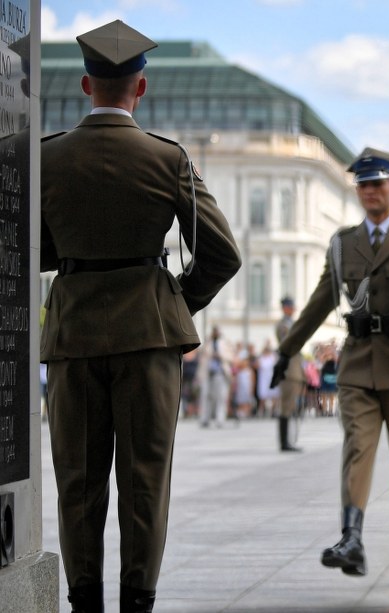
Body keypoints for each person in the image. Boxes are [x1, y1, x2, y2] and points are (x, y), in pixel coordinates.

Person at [40, 20, 240, 613]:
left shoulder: (47, 159)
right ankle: (137, 604)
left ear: (85, 84)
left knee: (78, 482)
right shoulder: (167, 158)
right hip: (149, 338)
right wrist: (174, 300)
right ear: (141, 88)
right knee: (144, 480)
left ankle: (83, 604)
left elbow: (32, 250)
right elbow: (222, 254)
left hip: (73, 333)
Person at [270, 147, 389, 586]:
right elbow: (319, 303)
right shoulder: (343, 244)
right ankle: (352, 538)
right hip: (360, 363)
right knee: (357, 450)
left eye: (378, 183)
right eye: (363, 184)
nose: (370, 191)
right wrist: (287, 350)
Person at [275, 296, 304, 451]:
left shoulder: (290, 323)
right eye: (291, 306)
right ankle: (284, 443)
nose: (293, 309)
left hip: (295, 371)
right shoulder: (284, 325)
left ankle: (287, 441)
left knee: (290, 406)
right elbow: (289, 342)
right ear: (285, 307)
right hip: (289, 372)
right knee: (286, 406)